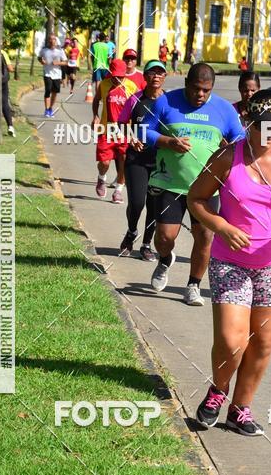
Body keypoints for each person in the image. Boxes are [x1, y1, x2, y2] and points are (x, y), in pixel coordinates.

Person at [188, 90, 271, 436]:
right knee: (233, 339)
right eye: (264, 127)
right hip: (231, 261)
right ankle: (218, 390)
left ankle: (240, 409)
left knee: (262, 342)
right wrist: (222, 227)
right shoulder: (227, 158)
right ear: (248, 124)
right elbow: (196, 200)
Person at [142, 62, 245, 306]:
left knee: (204, 237)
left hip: (207, 188)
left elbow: (240, 139)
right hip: (170, 184)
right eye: (196, 88)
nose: (200, 94)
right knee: (164, 237)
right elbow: (143, 131)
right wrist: (167, 141)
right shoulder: (166, 102)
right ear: (187, 83)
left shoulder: (223, 109)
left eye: (206, 90)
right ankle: (165, 259)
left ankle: (193, 285)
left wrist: (228, 151)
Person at [117, 60, 167, 260]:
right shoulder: (135, 99)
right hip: (136, 158)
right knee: (137, 203)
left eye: (160, 73)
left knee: (154, 205)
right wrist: (131, 138)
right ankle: (131, 232)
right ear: (144, 76)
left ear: (165, 77)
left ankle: (146, 244)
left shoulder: (169, 102)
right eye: (152, 73)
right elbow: (121, 124)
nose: (156, 76)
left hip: (160, 162)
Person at [92, 59, 137, 203]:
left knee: (123, 161)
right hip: (106, 129)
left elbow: (136, 109)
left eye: (120, 76)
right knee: (104, 162)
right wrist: (96, 116)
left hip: (125, 131)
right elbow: (96, 100)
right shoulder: (104, 85)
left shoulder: (131, 87)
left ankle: (118, 190)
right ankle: (101, 178)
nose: (117, 79)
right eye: (115, 75)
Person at [38, 34, 67, 117]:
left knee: (55, 92)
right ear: (48, 41)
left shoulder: (60, 50)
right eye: (50, 39)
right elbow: (39, 57)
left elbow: (65, 62)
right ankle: (46, 110)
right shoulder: (44, 50)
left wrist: (58, 63)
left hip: (57, 74)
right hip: (47, 73)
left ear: (56, 41)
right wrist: (41, 61)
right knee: (48, 90)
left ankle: (50, 108)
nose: (52, 41)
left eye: (54, 39)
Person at [1, 49, 15, 137]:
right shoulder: (2, 53)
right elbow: (10, 68)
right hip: (2, 81)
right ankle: (10, 126)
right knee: (4, 103)